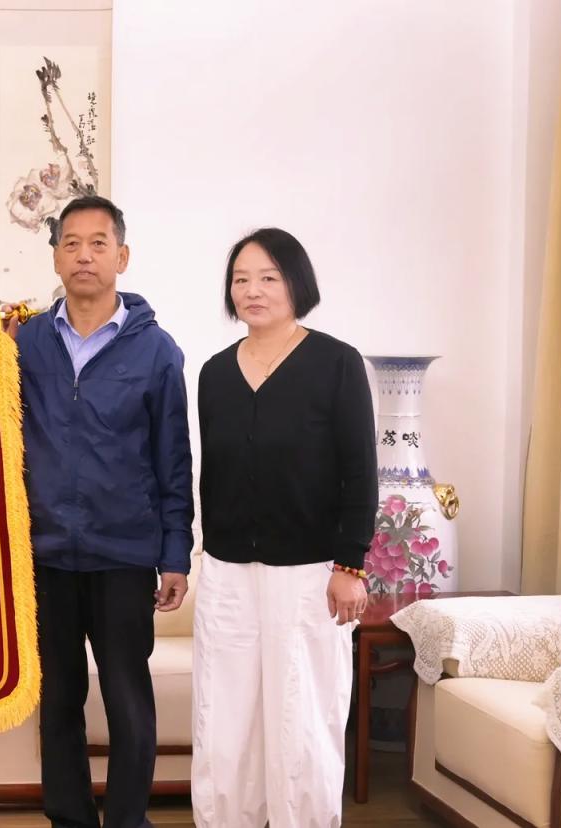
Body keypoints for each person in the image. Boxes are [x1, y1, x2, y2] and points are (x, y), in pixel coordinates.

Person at [4, 195, 194, 828]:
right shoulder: (26, 342)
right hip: (47, 554)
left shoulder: (156, 351)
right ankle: (70, 819)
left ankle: (128, 820)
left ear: (122, 256)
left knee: (127, 698)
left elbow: (173, 459)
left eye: (98, 243)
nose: (84, 255)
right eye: (71, 243)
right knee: (58, 700)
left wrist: (174, 553)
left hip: (124, 553)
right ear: (55, 257)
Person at [191, 228, 376, 827]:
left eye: (268, 277)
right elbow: (214, 472)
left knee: (303, 714)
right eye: (241, 279)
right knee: (225, 717)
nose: (253, 290)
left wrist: (350, 565)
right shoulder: (215, 373)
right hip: (226, 571)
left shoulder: (336, 363)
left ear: (296, 283)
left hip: (309, 571)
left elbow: (359, 471)